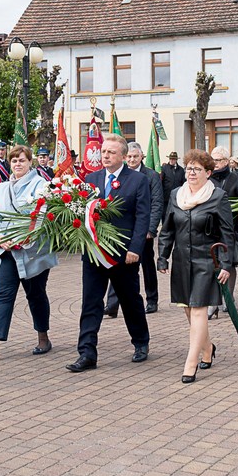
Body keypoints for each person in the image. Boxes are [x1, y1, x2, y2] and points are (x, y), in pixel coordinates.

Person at [67, 134, 151, 373]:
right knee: (91, 302)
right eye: (103, 151)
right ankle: (86, 352)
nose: (105, 156)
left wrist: (135, 249)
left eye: (111, 152)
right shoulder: (91, 179)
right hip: (94, 253)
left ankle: (141, 341)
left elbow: (142, 217)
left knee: (129, 300)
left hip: (123, 254)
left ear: (123, 156)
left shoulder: (137, 180)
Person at [0, 145, 58, 361]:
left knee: (35, 295)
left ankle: (43, 338)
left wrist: (23, 239)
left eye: (22, 160)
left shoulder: (42, 186)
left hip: (32, 252)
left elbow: (42, 216)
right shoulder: (2, 188)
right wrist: (0, 238)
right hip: (5, 250)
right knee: (2, 296)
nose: (18, 164)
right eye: (14, 160)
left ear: (30, 163)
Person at [157, 149, 234, 383]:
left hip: (206, 260)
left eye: (197, 168)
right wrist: (163, 256)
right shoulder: (175, 195)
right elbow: (168, 229)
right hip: (181, 260)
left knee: (200, 309)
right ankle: (208, 348)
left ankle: (191, 363)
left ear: (208, 173)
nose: (191, 172)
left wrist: (226, 264)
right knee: (188, 309)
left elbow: (228, 234)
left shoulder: (218, 197)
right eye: (188, 167)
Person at [103, 142, 163, 316]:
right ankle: (112, 305)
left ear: (142, 157)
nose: (131, 159)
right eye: (129, 156)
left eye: (135, 156)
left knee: (147, 266)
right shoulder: (120, 175)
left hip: (143, 231)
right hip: (122, 232)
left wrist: (150, 229)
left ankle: (152, 300)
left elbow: (157, 203)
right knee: (116, 265)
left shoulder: (150, 176)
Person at [206, 146, 238, 318]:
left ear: (226, 161)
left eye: (219, 160)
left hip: (231, 227)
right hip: (209, 228)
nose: (215, 164)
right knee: (211, 263)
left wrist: (236, 208)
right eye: (213, 160)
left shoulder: (234, 179)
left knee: (229, 262)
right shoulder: (207, 178)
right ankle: (213, 302)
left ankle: (228, 297)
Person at [160, 151, 185, 218]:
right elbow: (161, 181)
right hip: (166, 196)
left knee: (176, 215)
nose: (171, 160)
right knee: (165, 214)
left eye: (173, 159)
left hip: (177, 196)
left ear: (176, 160)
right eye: (170, 158)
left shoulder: (181, 170)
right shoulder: (164, 168)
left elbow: (183, 183)